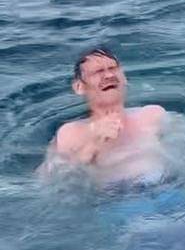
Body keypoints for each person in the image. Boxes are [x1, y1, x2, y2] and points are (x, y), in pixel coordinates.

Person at [40, 46, 167, 185]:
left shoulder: (153, 115)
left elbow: (183, 148)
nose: (109, 75)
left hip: (167, 188)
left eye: (113, 69)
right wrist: (94, 144)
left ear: (124, 78)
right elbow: (52, 179)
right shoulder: (70, 133)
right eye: (98, 72)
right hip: (113, 195)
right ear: (79, 87)